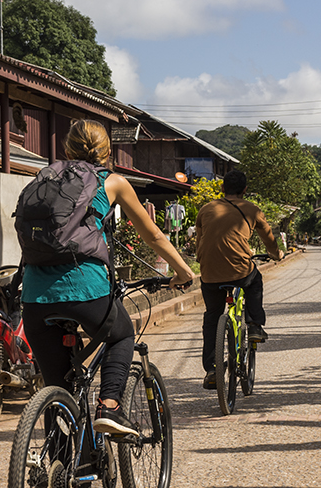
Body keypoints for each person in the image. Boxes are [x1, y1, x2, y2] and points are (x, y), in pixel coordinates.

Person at [22, 120, 194, 437]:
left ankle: (58, 473)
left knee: (57, 390)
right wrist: (183, 271)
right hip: (86, 289)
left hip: (33, 297)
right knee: (122, 334)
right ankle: (110, 405)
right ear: (107, 151)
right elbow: (153, 235)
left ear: (66, 149)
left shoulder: (45, 179)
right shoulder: (112, 182)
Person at [196, 170, 283, 389]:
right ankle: (254, 325)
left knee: (212, 317)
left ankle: (212, 369)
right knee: (255, 280)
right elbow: (269, 238)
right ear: (245, 190)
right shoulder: (252, 209)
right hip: (239, 271)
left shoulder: (206, 209)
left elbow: (199, 242)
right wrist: (277, 254)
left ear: (222, 188)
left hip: (209, 274)